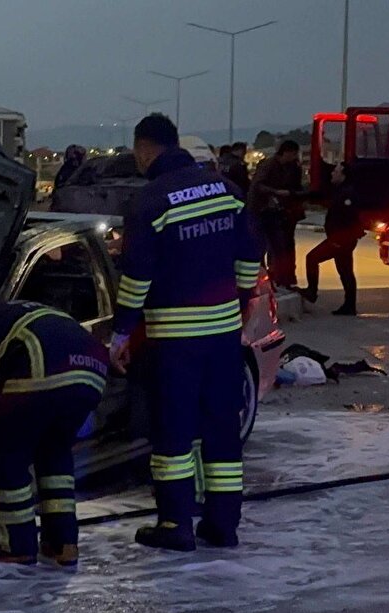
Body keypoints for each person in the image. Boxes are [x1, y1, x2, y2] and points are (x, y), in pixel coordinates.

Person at [110, 114, 262, 552]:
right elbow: (251, 252)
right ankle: (223, 525)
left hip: (175, 340)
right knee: (220, 428)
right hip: (222, 337)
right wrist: (242, 298)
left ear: (143, 150)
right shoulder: (226, 190)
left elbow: (136, 278)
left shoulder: (151, 201)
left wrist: (121, 335)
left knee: (173, 433)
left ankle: (175, 523)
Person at [0, 299, 108, 567]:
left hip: (43, 363)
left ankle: (16, 545)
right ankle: (63, 543)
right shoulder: (14, 312)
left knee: (4, 454)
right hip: (92, 371)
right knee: (54, 453)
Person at [299, 162, 362, 316]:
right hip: (342, 238)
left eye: (336, 171)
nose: (333, 173)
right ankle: (349, 305)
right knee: (345, 271)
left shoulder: (346, 194)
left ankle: (312, 292)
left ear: (344, 175)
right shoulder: (341, 191)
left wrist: (339, 239)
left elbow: (347, 218)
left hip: (340, 239)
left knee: (312, 258)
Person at [247, 140, 304, 288]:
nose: (295, 157)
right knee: (264, 246)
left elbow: (295, 186)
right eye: (293, 154)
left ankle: (283, 278)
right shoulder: (269, 165)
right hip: (261, 210)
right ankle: (263, 278)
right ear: (287, 152)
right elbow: (258, 186)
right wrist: (276, 193)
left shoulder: (292, 167)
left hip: (280, 211)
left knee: (282, 246)